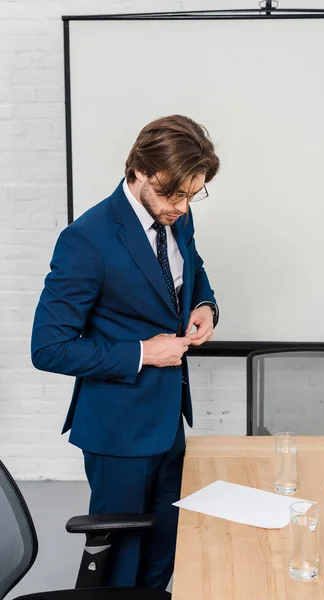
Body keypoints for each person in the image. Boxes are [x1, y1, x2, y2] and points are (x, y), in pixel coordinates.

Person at [31, 115, 220, 590]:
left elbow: (190, 267)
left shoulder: (178, 214)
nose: (181, 206)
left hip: (168, 419)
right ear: (138, 171)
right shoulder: (87, 239)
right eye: (172, 195)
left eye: (191, 195)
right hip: (117, 430)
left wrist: (204, 304)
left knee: (163, 548)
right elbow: (49, 348)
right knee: (118, 560)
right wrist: (142, 353)